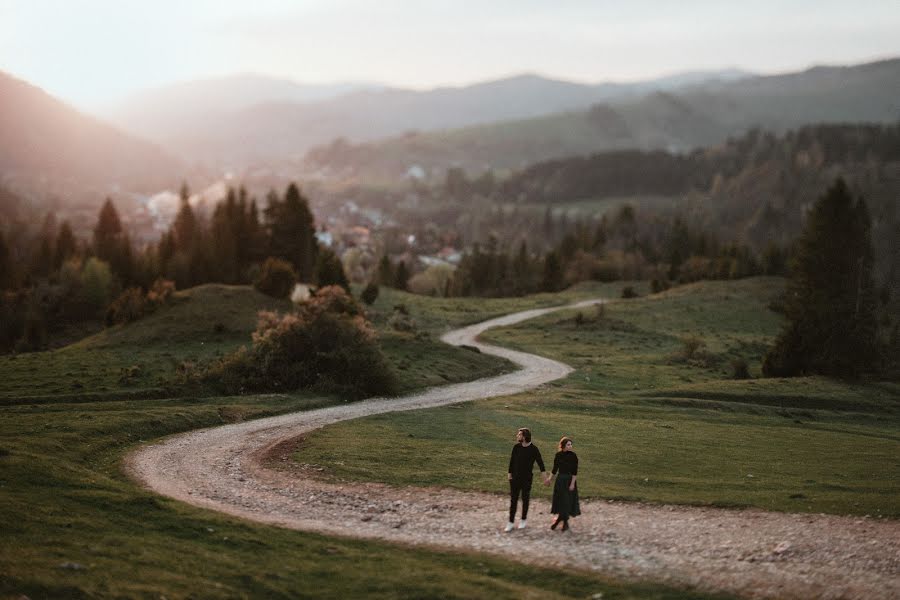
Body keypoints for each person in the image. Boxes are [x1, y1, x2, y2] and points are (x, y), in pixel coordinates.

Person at [506, 427, 550, 531]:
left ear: (525, 437)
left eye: (519, 434)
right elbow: (512, 461)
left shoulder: (534, 449)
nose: (517, 436)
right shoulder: (516, 447)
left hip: (527, 479)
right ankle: (510, 522)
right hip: (515, 478)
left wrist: (545, 478)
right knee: (513, 500)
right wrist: (509, 474)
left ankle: (523, 520)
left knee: (525, 499)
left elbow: (541, 464)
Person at [550, 436, 580, 531]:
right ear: (563, 445)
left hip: (569, 480)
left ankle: (561, 520)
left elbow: (575, 472)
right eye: (568, 444)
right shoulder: (558, 455)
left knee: (566, 501)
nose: (570, 446)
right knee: (561, 500)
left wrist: (572, 484)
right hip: (560, 480)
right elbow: (554, 470)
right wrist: (549, 479)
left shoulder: (573, 456)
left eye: (571, 444)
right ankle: (563, 521)